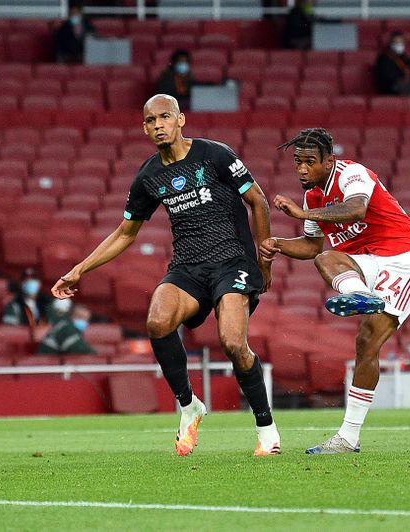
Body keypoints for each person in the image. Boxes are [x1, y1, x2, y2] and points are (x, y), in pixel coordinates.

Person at [51, 94, 280, 457]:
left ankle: (267, 429)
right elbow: (126, 233)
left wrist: (263, 262)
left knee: (233, 343)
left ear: (180, 119)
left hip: (232, 261)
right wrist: (78, 270)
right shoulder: (149, 175)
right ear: (144, 128)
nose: (157, 125)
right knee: (157, 320)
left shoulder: (215, 154)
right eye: (149, 121)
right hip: (188, 266)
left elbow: (259, 201)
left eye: (164, 117)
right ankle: (189, 406)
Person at [261, 128, 410, 454]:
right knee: (328, 260)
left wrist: (303, 214)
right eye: (298, 161)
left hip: (406, 259)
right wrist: (278, 245)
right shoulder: (313, 196)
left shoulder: (351, 174)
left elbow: (355, 209)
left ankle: (348, 436)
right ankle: (348, 439)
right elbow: (313, 247)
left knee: (368, 338)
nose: (301, 168)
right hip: (368, 264)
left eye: (310, 162)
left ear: (329, 161)